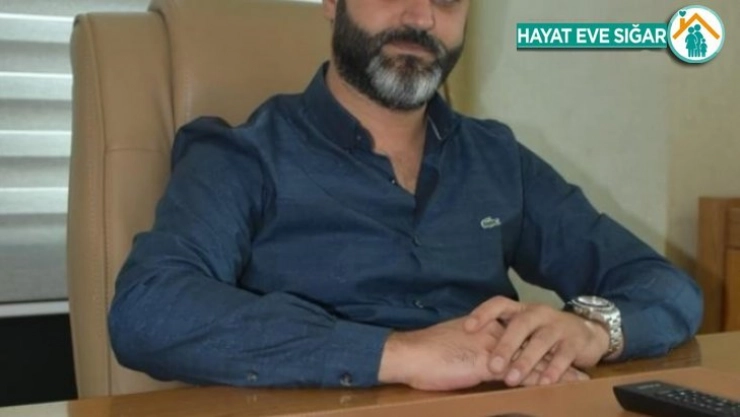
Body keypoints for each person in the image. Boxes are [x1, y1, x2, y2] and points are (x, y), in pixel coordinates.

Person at [108, 0, 702, 391]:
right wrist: (399, 354)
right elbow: (149, 310)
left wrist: (593, 331)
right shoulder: (242, 155)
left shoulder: (497, 159)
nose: (421, 16)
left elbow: (663, 286)